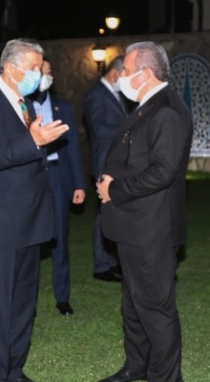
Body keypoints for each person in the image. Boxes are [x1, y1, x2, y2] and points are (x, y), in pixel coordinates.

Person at [0, 38, 69, 382]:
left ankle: (13, 369)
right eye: (35, 67)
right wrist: (33, 141)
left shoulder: (24, 103)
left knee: (23, 304)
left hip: (29, 220)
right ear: (11, 69)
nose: (40, 73)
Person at [96, 42, 193, 382]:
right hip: (134, 226)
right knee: (134, 304)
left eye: (125, 71)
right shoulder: (147, 106)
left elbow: (162, 172)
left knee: (154, 308)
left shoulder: (166, 111)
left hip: (151, 229)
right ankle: (137, 366)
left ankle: (165, 377)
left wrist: (114, 190)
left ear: (146, 73)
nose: (120, 76)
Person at [29, 59, 85, 315]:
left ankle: (63, 297)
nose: (47, 76)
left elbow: (72, 147)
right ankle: (26, 298)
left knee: (60, 238)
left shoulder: (63, 107)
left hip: (59, 177)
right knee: (30, 239)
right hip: (31, 178)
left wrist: (78, 184)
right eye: (42, 72)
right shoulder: (22, 105)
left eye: (49, 72)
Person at [83, 56, 127, 283]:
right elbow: (98, 129)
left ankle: (112, 260)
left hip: (117, 164)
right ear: (114, 73)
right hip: (104, 163)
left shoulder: (117, 96)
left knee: (115, 213)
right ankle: (101, 265)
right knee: (104, 214)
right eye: (125, 74)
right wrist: (128, 128)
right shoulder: (95, 95)